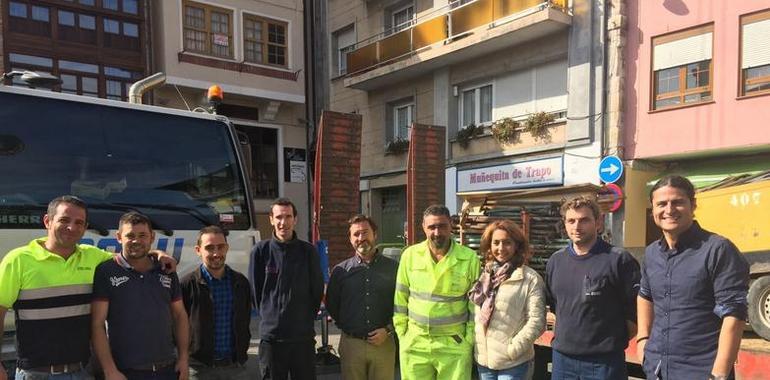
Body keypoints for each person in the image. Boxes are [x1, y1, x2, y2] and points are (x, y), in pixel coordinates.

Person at [0, 195, 175, 380]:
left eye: (79, 222)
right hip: (35, 374)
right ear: (47, 221)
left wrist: (157, 254)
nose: (72, 227)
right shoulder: (18, 260)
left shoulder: (93, 257)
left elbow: (131, 255)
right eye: (64, 220)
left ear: (85, 227)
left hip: (82, 372)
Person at [637, 175, 749, 380]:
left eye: (678, 202)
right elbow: (645, 295)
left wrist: (719, 375)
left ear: (693, 205)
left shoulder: (718, 250)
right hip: (657, 368)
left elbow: (734, 315)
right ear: (652, 209)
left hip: (701, 371)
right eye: (661, 204)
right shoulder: (652, 253)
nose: (669, 210)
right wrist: (642, 339)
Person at [545, 195, 640, 380]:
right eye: (571, 221)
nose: (576, 226)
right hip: (563, 360)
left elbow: (635, 311)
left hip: (604, 362)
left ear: (598, 222)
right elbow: (556, 307)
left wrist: (607, 342)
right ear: (565, 224)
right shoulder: (556, 261)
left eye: (584, 220)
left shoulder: (618, 260)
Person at [91, 212, 189, 380]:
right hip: (125, 372)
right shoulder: (105, 271)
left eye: (142, 235)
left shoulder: (166, 269)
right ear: (119, 237)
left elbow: (180, 315)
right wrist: (110, 371)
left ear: (152, 237)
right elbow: (97, 323)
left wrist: (183, 359)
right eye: (130, 236)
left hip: (167, 369)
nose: (136, 241)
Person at [393, 204, 480, 380]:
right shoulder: (410, 255)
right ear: (423, 228)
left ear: (451, 226)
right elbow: (400, 298)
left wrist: (468, 340)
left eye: (442, 226)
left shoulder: (469, 258)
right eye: (432, 227)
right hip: (415, 343)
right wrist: (403, 334)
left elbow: (475, 306)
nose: (437, 232)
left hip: (454, 344)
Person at [249, 198, 324, 380]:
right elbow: (255, 291)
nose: (283, 222)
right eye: (279, 217)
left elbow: (316, 290)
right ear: (271, 219)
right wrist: (271, 315)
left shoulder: (308, 252)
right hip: (272, 340)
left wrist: (303, 318)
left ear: (295, 219)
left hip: (302, 339)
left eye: (288, 216)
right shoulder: (260, 251)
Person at [469, 220, 546, 380]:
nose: (501, 248)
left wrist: (514, 349)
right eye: (496, 242)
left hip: (514, 363)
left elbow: (537, 321)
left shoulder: (529, 278)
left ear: (517, 245)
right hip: (485, 361)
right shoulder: (485, 276)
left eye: (507, 243)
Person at [326, 215, 398, 380]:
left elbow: (403, 304)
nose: (361, 238)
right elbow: (332, 305)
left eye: (365, 232)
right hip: (352, 346)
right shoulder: (340, 271)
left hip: (383, 344)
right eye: (356, 234)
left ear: (375, 234)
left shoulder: (394, 268)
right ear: (350, 239)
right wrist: (350, 327)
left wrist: (388, 329)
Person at [181, 226, 254, 380]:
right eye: (209, 248)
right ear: (198, 250)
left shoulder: (241, 283)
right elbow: (177, 325)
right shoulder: (187, 284)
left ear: (227, 248)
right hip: (200, 369)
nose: (216, 253)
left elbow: (245, 319)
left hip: (236, 368)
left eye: (220, 247)